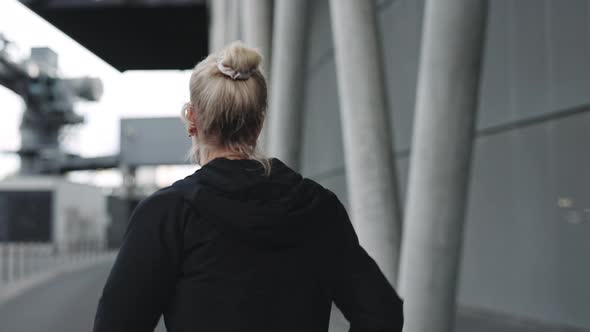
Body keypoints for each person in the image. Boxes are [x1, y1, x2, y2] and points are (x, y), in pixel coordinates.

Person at [93, 41, 403, 332]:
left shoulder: (168, 213)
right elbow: (382, 312)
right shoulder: (316, 206)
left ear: (192, 119)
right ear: (259, 122)